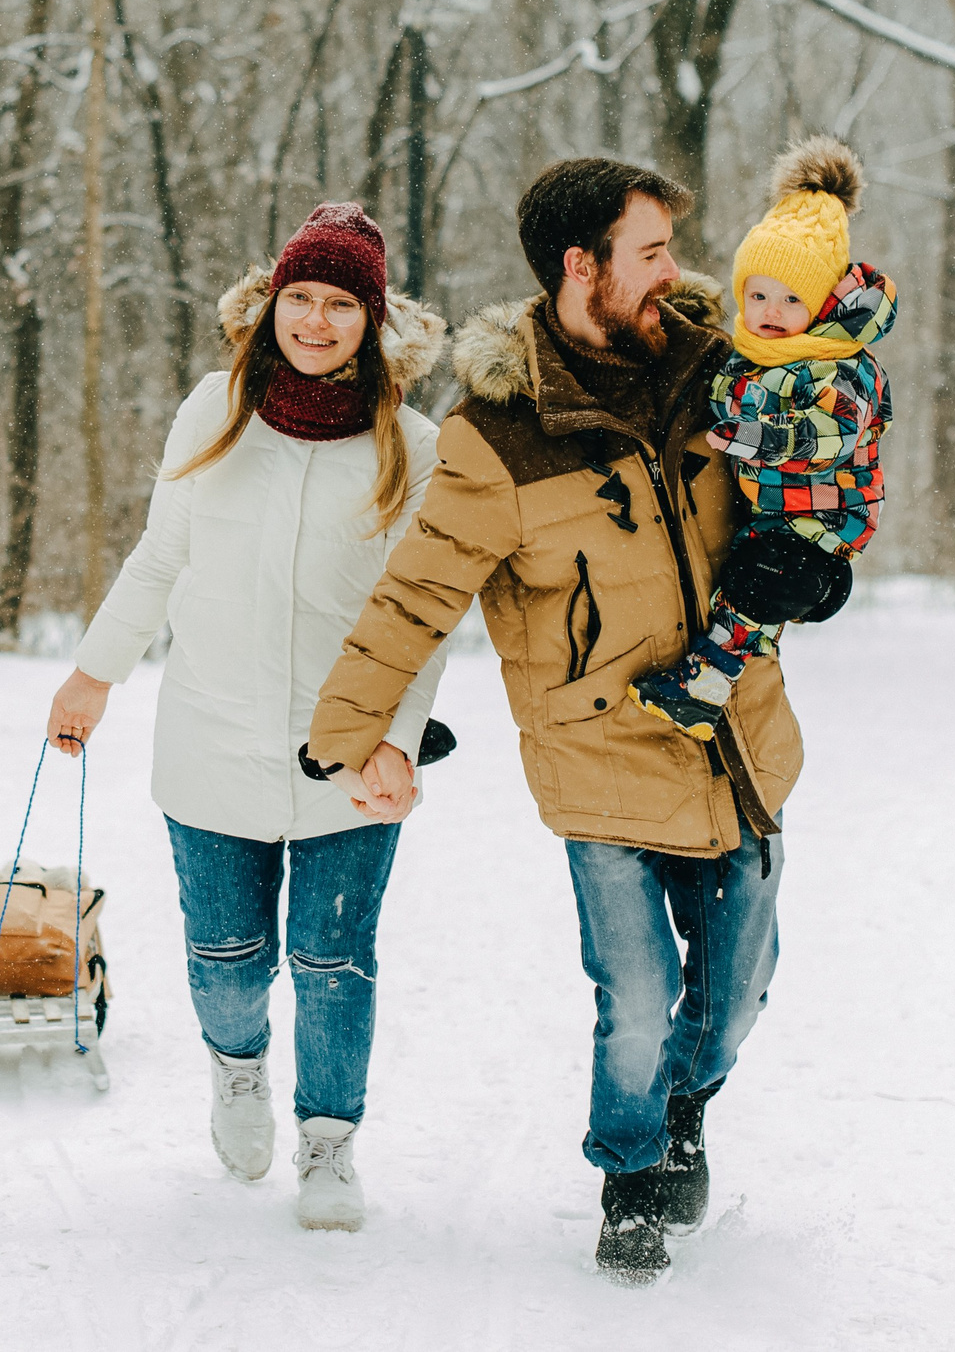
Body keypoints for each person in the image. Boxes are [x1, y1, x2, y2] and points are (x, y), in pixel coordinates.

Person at [303, 158, 803, 1284]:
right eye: (651, 251)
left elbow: (809, 489)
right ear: (582, 266)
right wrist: (348, 729)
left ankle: (688, 1103)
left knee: (734, 995)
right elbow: (417, 594)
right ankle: (630, 1174)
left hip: (734, 737)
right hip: (602, 754)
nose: (677, 270)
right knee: (633, 996)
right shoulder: (496, 435)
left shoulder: (721, 377)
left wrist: (810, 568)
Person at [43, 202, 451, 1234]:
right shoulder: (212, 411)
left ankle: (329, 1142)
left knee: (333, 959)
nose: (315, 320)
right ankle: (236, 1071)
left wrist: (400, 736)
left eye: (339, 303)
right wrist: (93, 673)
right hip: (210, 737)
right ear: (271, 304)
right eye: (299, 298)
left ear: (373, 318)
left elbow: (426, 615)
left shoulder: (412, 442)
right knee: (225, 959)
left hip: (348, 754)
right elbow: (159, 556)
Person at [626, 138, 896, 738]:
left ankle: (703, 686)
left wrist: (756, 438)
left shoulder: (840, 366)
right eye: (758, 294)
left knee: (758, 583)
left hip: (827, 516)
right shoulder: (753, 357)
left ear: (824, 302)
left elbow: (828, 435)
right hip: (776, 512)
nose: (770, 310)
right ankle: (714, 683)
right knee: (752, 588)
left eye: (791, 298)